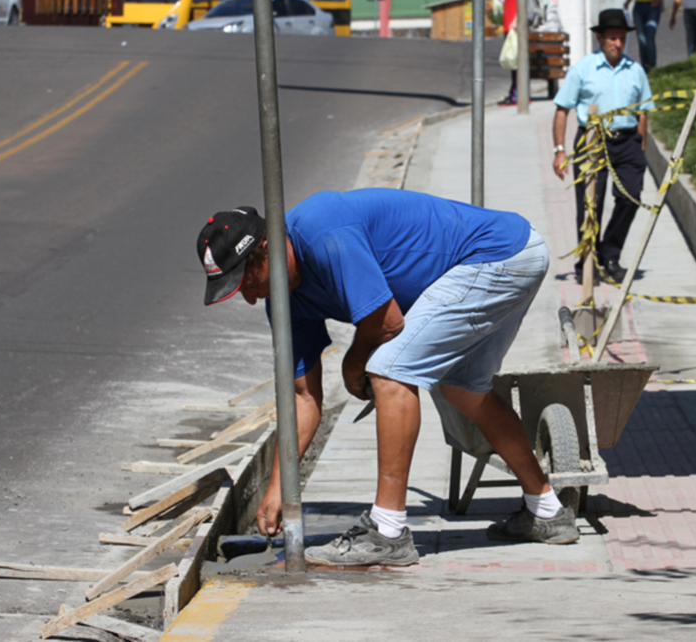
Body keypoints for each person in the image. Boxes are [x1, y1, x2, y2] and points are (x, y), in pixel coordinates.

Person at [197, 190, 579, 568]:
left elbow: (387, 322)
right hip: (510, 255)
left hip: (498, 255)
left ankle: (389, 532)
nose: (249, 298)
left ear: (267, 249)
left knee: (388, 371)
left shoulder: (322, 230)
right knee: (463, 390)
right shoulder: (285, 300)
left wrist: (353, 363)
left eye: (247, 282)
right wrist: (280, 487)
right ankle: (546, 511)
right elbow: (303, 399)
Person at [551, 8, 653, 284]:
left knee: (631, 196)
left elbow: (643, 111)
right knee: (589, 206)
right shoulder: (583, 69)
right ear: (600, 38)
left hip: (627, 141)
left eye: (621, 38)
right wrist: (559, 150)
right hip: (592, 139)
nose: (617, 43)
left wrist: (639, 145)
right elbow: (562, 110)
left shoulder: (636, 71)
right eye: (612, 38)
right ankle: (589, 260)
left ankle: (610, 253)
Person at [622, 0, 671, 72]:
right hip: (639, 7)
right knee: (641, 39)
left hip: (653, 7)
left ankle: (652, 66)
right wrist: (627, 2)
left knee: (650, 36)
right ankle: (645, 68)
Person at [488, 0, 521, 106]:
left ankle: (517, 95)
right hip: (508, 27)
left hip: (513, 29)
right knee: (512, 62)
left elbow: (523, 2)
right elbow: (510, 5)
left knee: (514, 62)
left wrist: (515, 20)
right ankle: (515, 93)